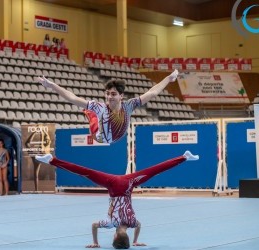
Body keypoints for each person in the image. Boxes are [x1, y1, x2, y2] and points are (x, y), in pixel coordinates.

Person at [35, 150, 199, 249]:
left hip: (128, 184)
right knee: (83, 172)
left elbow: (139, 225)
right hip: (114, 186)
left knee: (154, 170)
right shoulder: (110, 223)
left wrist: (135, 241)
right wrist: (95, 243)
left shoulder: (133, 222)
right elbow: (93, 225)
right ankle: (52, 160)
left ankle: (184, 157)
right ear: (114, 237)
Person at [37, 69, 179, 144]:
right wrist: (51, 85)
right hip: (99, 137)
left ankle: (90, 112)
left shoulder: (129, 105)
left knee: (94, 111)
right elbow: (72, 98)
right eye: (107, 94)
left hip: (117, 137)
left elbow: (152, 92)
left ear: (121, 96)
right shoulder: (101, 107)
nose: (109, 97)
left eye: (113, 94)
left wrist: (169, 79)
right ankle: (89, 113)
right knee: (92, 113)